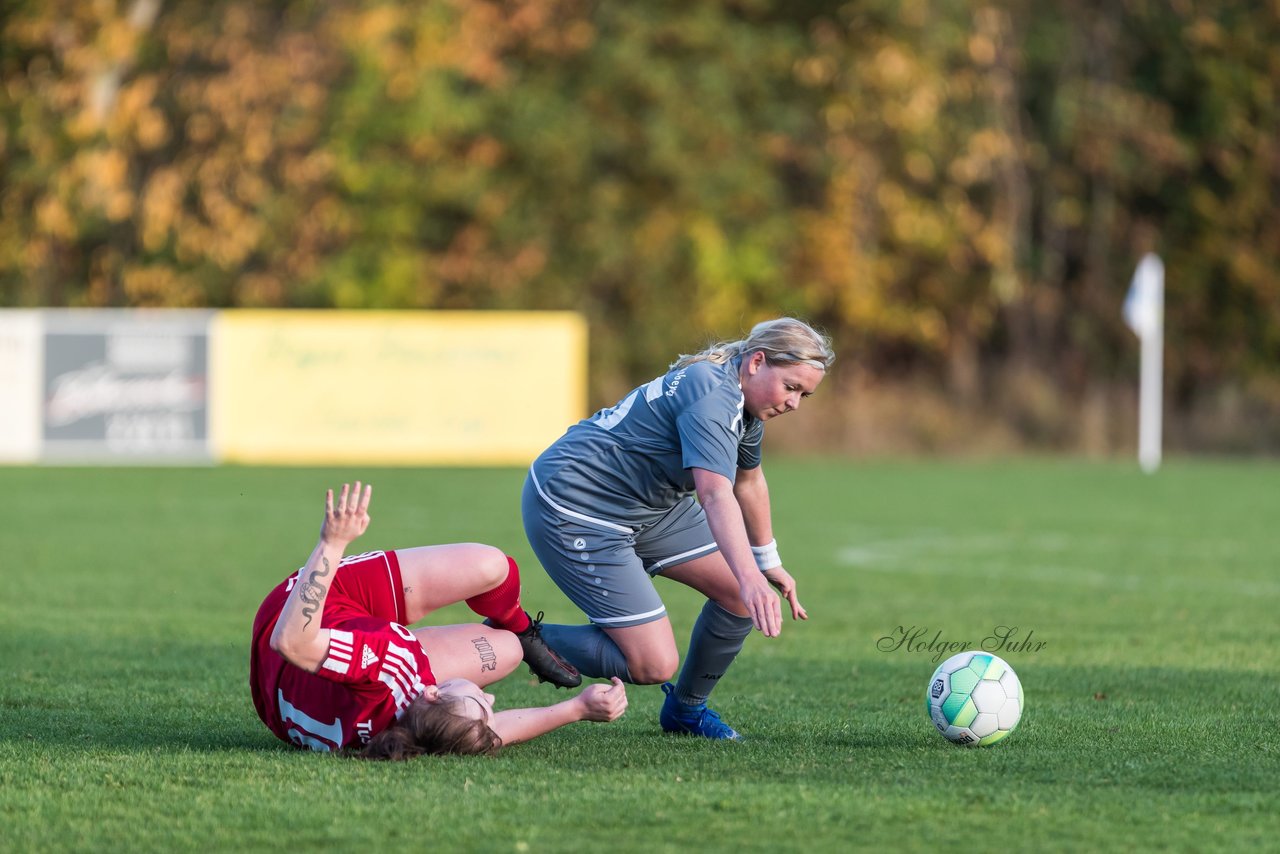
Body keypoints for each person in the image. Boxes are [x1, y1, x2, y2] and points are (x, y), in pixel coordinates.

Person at [522, 317, 834, 740]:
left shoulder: (745, 403)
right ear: (757, 361)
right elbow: (715, 495)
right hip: (577, 504)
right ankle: (507, 636)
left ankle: (686, 712)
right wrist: (749, 577)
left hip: (649, 506)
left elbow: (748, 480)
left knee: (739, 598)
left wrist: (766, 563)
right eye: (792, 387)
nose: (795, 403)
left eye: (805, 394)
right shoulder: (713, 393)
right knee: (652, 664)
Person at [249, 481, 628, 759]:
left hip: (292, 617)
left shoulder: (387, 665)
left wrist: (332, 543)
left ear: (431, 690)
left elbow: (290, 641)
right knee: (509, 650)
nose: (490, 695)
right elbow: (486, 731)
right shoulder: (411, 735)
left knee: (492, 566)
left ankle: (515, 623)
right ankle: (520, 631)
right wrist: (576, 709)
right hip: (277, 706)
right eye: (486, 705)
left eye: (478, 699)